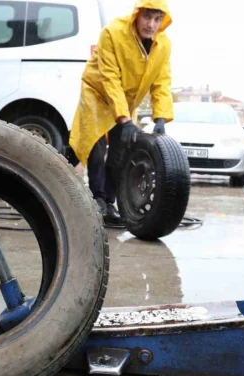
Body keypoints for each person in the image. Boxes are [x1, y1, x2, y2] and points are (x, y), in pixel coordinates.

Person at [69, 0, 174, 225]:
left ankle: (109, 201)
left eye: (157, 19)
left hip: (125, 101)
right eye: (147, 17)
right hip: (98, 93)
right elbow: (109, 77)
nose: (151, 24)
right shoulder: (113, 33)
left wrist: (161, 117)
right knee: (96, 146)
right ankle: (97, 199)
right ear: (137, 14)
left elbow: (162, 82)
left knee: (121, 151)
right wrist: (124, 119)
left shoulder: (163, 45)